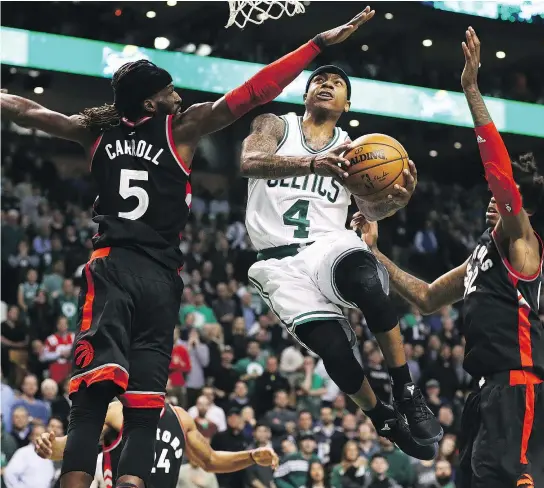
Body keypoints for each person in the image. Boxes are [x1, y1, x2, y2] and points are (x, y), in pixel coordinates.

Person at [1, 8, 374, 488]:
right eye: (169, 92)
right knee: (143, 410)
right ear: (152, 104)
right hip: (159, 280)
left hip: (112, 268)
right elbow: (255, 92)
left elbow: (25, 110)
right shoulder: (181, 129)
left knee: (91, 399)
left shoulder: (95, 132)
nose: (178, 97)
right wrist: (316, 45)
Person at [351, 27, 544, 488]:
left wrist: (471, 91)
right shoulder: (480, 257)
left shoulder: (522, 244)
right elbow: (427, 297)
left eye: (501, 197)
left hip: (519, 381)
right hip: (485, 390)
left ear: (520, 208)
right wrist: (374, 253)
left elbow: (500, 173)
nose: (491, 200)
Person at [240, 53, 441, 451]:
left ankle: (405, 390)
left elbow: (369, 212)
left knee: (368, 282)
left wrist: (394, 203)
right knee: (334, 349)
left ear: (347, 104)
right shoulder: (276, 125)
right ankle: (381, 417)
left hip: (328, 245)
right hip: (278, 262)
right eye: (320, 79)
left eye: (338, 82)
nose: (328, 83)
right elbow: (250, 162)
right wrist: (314, 163)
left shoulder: (357, 152)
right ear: (306, 93)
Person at [34, 400, 279, 488]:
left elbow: (210, 460)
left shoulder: (181, 418)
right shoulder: (117, 412)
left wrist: (251, 456)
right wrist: (49, 446)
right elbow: (75, 446)